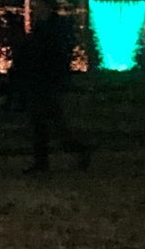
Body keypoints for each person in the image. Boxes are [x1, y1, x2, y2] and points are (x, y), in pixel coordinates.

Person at [10, 10, 91, 174]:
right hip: (44, 84)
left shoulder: (40, 37)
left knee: (46, 125)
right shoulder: (49, 33)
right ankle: (70, 153)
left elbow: (33, 60)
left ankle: (51, 159)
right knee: (50, 125)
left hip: (41, 85)